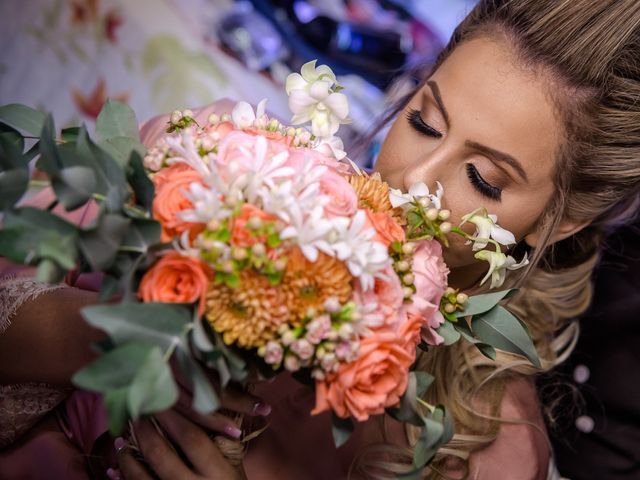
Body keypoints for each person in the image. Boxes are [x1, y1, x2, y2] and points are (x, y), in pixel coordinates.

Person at [2, 0, 640, 478]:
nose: (411, 182)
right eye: (423, 120)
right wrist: (120, 339)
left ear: (567, 219)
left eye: (482, 178)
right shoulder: (213, 163)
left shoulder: (490, 448)